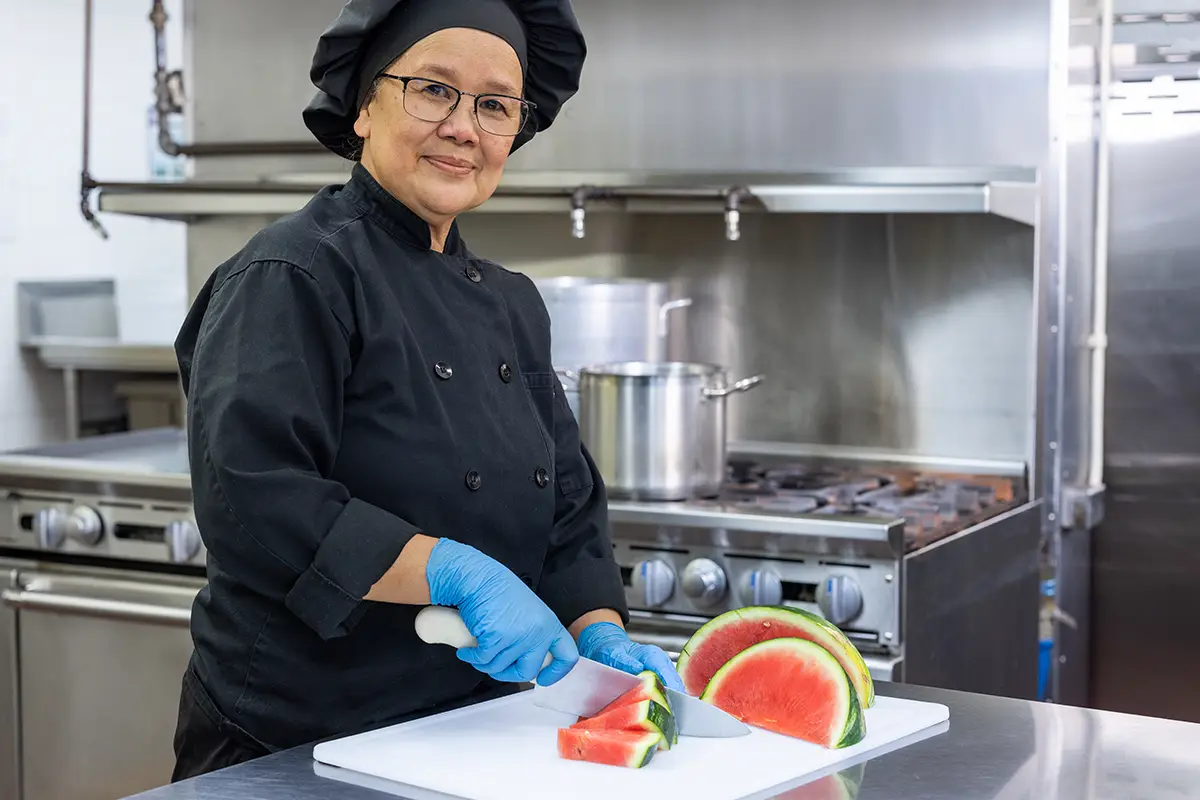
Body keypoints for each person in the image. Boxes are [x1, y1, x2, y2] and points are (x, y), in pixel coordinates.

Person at [169, 0, 684, 781]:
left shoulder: (512, 302)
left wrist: (600, 632)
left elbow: (569, 510)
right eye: (433, 90)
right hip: (297, 742)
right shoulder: (292, 273)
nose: (464, 127)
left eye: (494, 105)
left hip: (474, 736)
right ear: (365, 106)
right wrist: (452, 570)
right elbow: (256, 497)